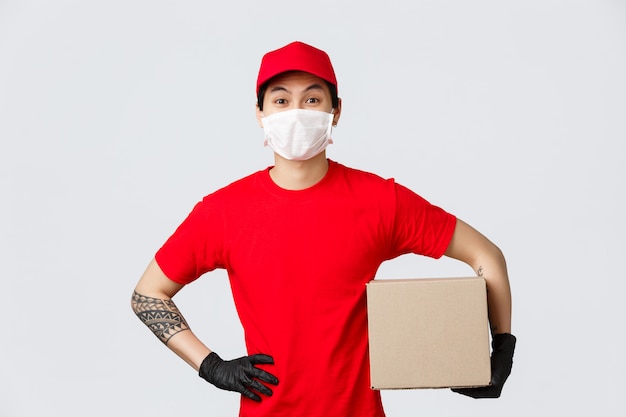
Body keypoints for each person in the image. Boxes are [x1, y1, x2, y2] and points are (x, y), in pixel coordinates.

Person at [131, 41, 516, 417]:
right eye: (281, 100)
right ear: (260, 113)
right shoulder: (223, 212)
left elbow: (486, 256)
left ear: (336, 111)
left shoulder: (381, 201)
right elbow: (148, 294)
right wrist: (211, 366)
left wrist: (501, 348)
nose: (296, 111)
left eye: (312, 99)